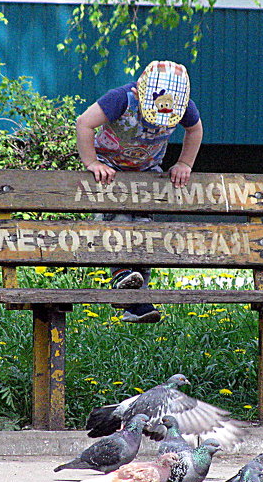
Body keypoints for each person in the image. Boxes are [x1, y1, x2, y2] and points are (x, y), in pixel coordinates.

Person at [75, 60, 204, 323]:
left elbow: (195, 129)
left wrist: (184, 163)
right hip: (110, 171)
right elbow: (84, 123)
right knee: (120, 223)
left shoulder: (184, 104)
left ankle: (135, 301)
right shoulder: (121, 98)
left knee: (145, 232)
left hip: (147, 171)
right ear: (140, 92)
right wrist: (92, 162)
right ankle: (122, 275)